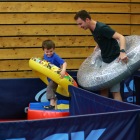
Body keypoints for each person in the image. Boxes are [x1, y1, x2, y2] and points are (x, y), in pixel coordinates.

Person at [74, 10, 129, 101]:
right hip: (105, 60)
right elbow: (103, 38)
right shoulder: (92, 29)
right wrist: (98, 45)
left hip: (114, 61)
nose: (80, 26)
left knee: (115, 91)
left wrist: (122, 52)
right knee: (102, 88)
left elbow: (121, 37)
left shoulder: (102, 28)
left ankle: (120, 115)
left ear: (87, 19)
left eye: (80, 23)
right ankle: (104, 113)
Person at [42, 40, 67, 109]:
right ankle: (54, 104)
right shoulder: (45, 55)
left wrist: (63, 70)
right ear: (44, 50)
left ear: (54, 49)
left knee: (50, 88)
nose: (49, 53)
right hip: (50, 76)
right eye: (47, 52)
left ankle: (52, 105)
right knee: (52, 90)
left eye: (51, 51)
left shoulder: (55, 56)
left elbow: (64, 63)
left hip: (56, 76)